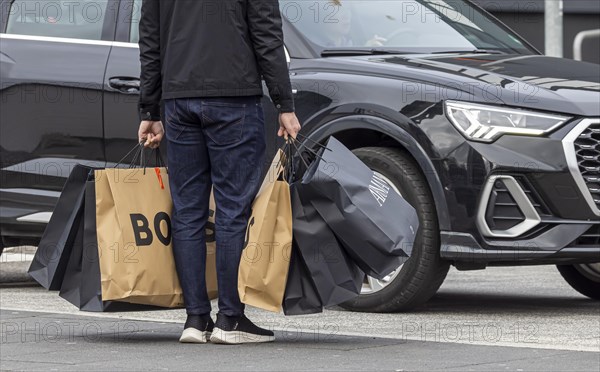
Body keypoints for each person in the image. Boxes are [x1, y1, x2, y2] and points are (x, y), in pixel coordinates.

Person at [136, 0, 301, 345]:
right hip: (234, 97)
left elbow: (150, 38)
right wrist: (284, 103)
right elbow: (267, 36)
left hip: (178, 100)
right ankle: (231, 318)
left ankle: (196, 319)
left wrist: (150, 108)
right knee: (231, 210)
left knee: (187, 211)